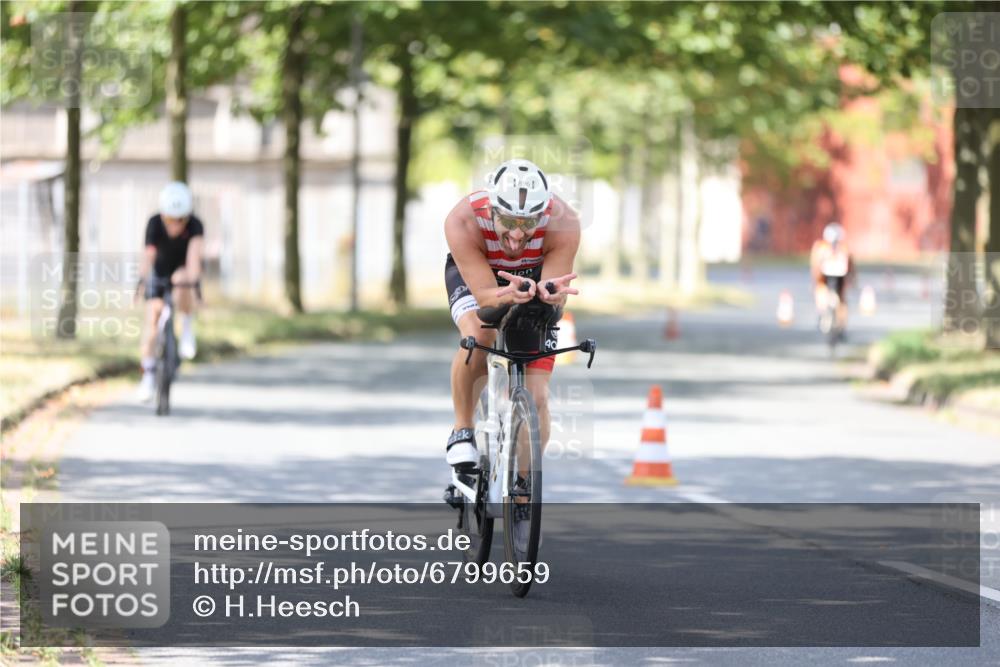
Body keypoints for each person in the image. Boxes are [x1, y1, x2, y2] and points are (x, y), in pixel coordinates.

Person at [443, 158, 580, 470]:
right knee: (480, 334)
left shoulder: (565, 223)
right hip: (479, 273)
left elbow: (555, 294)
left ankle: (522, 485)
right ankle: (462, 430)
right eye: (509, 222)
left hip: (533, 276)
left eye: (528, 223)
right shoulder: (462, 220)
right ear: (492, 211)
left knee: (537, 397)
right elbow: (485, 296)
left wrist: (550, 296)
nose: (517, 236)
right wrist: (505, 294)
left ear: (543, 214)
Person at [136, 181, 204, 401]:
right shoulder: (154, 224)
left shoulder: (195, 226)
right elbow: (148, 256)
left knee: (182, 279)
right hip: (159, 271)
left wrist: (193, 285)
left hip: (182, 271)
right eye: (169, 219)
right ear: (163, 216)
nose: (175, 225)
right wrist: (141, 282)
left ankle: (185, 327)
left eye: (180, 220)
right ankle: (148, 374)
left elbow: (194, 259)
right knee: (152, 321)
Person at [810, 222, 854, 337]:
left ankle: (842, 325)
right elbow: (815, 266)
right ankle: (821, 314)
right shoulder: (820, 247)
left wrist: (851, 278)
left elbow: (850, 266)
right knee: (821, 293)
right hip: (824, 278)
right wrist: (816, 278)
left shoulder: (844, 249)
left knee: (842, 300)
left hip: (839, 278)